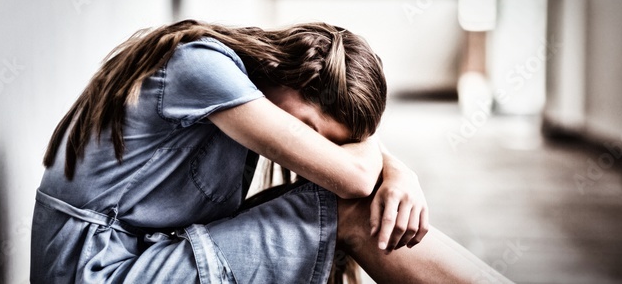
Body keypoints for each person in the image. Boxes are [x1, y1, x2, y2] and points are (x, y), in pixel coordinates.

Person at [31, 19, 511, 283]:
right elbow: (356, 180)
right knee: (350, 210)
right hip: (97, 272)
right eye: (308, 129)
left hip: (136, 257)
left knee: (344, 205)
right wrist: (390, 169)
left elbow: (355, 166)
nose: (310, 150)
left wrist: (401, 172)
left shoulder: (233, 84)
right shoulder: (202, 69)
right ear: (290, 75)